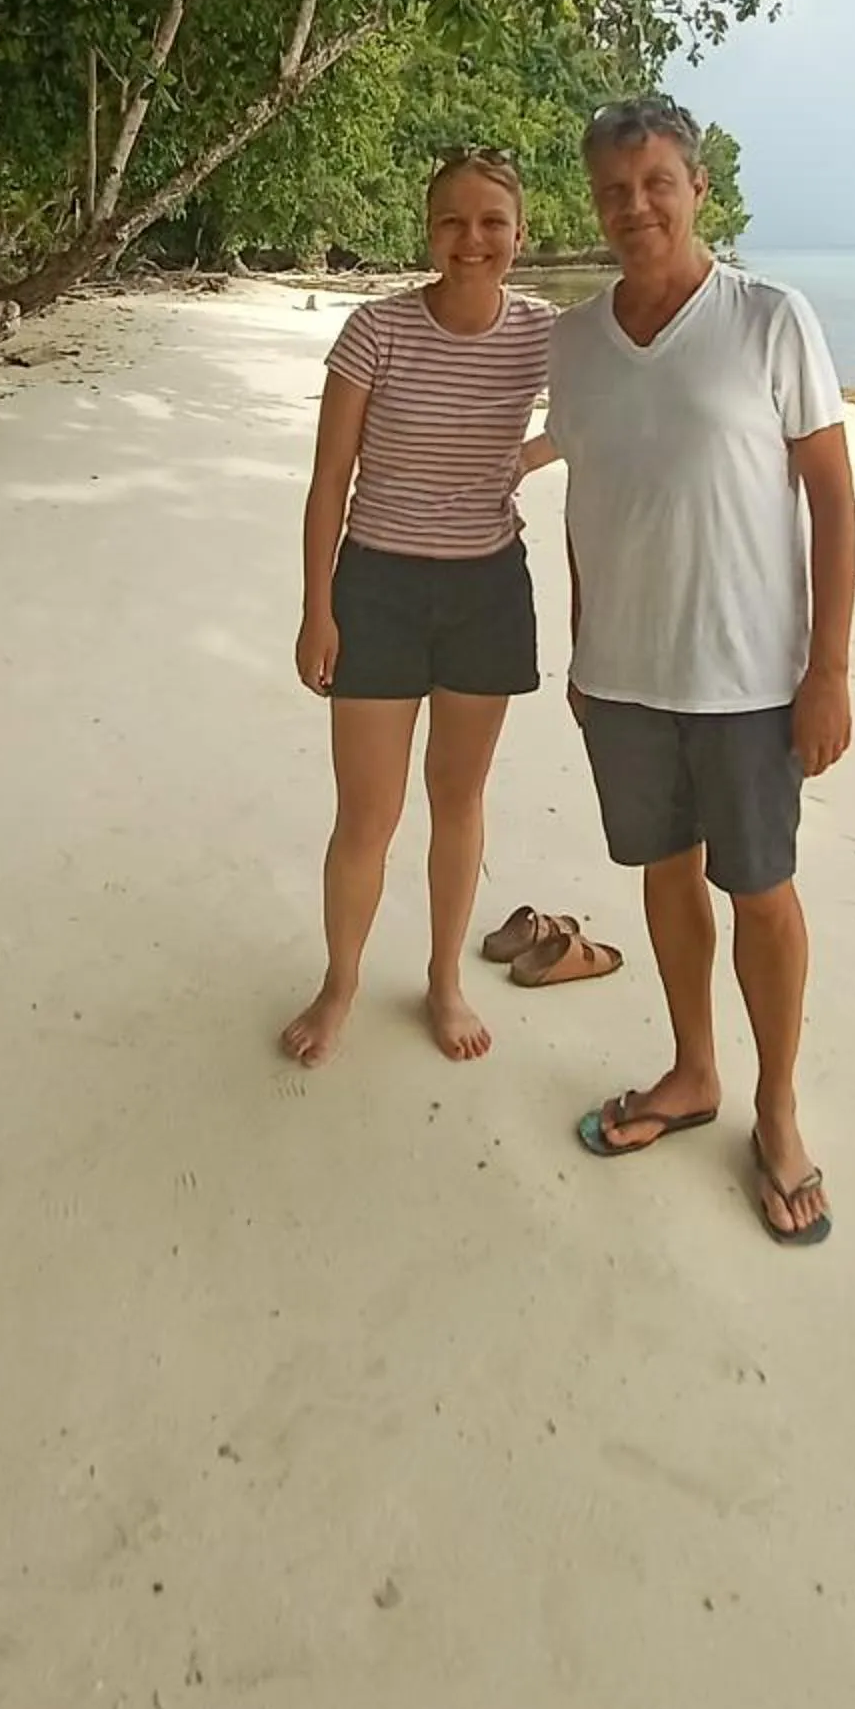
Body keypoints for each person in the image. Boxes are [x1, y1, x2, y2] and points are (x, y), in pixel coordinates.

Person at [548, 96, 855, 1243]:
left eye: (655, 185)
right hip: (621, 675)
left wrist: (829, 669)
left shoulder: (771, 321)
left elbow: (831, 496)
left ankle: (776, 1110)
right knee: (665, 878)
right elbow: (592, 501)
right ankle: (693, 1072)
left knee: (761, 897)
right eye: (613, 193)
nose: (635, 209)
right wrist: (581, 645)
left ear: (697, 189)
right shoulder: (571, 343)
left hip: (750, 681)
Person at [283, 150, 557, 1068]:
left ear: (520, 235)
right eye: (452, 221)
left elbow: (628, 399)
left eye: (491, 222)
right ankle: (341, 983)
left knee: (458, 797)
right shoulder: (376, 331)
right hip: (378, 586)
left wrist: (532, 454)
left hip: (487, 589)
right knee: (367, 815)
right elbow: (329, 482)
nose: (471, 240)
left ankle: (444, 979)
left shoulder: (545, 334)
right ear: (428, 231)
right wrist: (317, 609)